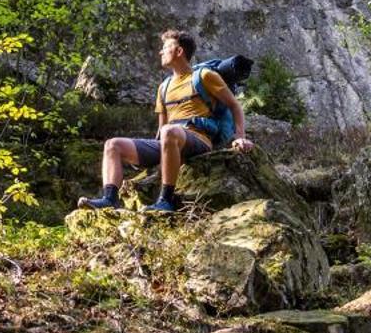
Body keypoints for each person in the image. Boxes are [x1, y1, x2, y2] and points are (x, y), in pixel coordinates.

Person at [76, 29, 254, 215]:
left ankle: (165, 200)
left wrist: (239, 137)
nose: (160, 52)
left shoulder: (204, 76)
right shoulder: (163, 87)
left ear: (179, 52)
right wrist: (150, 156)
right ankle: (109, 199)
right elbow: (162, 130)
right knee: (113, 145)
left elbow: (235, 106)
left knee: (170, 132)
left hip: (199, 139)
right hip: (170, 139)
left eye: (165, 47)